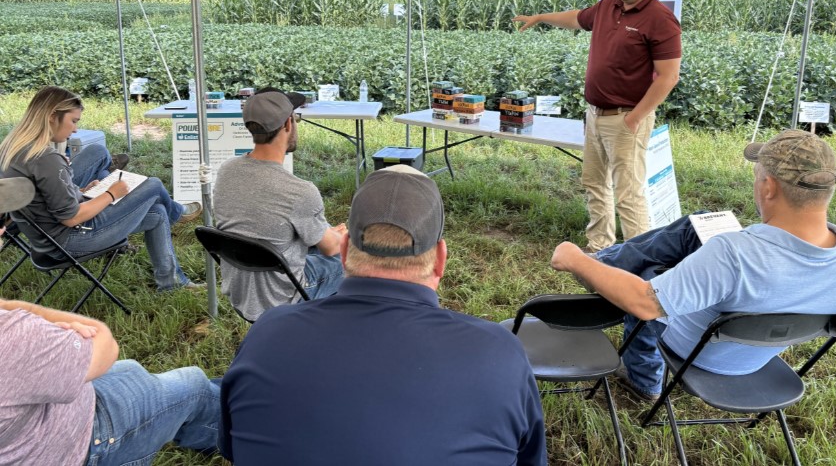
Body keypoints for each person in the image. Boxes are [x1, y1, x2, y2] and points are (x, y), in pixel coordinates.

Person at [219, 165, 546, 465]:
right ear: (440, 260)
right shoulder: (500, 353)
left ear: (344, 251)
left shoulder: (267, 333)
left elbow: (231, 447)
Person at [549, 130, 836, 401]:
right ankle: (605, 263)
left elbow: (644, 303)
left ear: (769, 187)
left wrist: (573, 257)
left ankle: (642, 378)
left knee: (647, 276)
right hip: (755, 356)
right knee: (700, 222)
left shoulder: (733, 254)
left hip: (698, 352)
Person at [513, 0, 682, 251]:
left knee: (628, 194)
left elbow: (668, 77)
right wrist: (541, 17)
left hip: (627, 118)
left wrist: (635, 117)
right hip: (595, 114)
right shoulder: (608, 5)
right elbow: (577, 18)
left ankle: (638, 260)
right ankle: (600, 247)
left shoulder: (660, 19)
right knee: (594, 182)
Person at [0, 86, 202, 292]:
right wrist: (111, 194)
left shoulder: (13, 148)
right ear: (52, 116)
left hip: (45, 241)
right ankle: (177, 213)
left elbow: (47, 197)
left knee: (157, 213)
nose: (75, 130)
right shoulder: (46, 159)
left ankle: (171, 282)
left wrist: (80, 191)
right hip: (71, 241)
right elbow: (71, 218)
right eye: (73, 121)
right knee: (153, 185)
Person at [0, 297, 220, 465]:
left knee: (131, 370)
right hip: (83, 445)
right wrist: (20, 310)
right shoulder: (12, 333)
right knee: (194, 385)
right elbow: (105, 344)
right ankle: (233, 437)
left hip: (37, 428)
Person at [212, 88, 344, 320]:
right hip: (285, 295)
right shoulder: (300, 192)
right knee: (356, 258)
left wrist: (326, 232)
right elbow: (332, 249)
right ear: (287, 124)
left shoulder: (226, 171)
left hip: (240, 291)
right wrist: (343, 237)